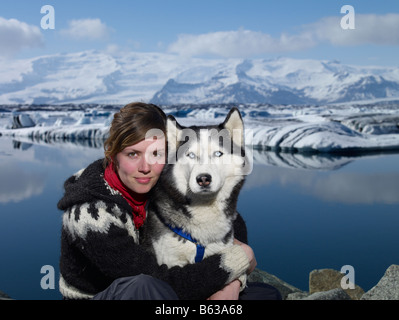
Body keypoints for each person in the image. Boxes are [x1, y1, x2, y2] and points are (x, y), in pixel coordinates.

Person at [57, 102, 281, 300]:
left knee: (267, 295)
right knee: (144, 285)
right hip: (110, 294)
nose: (145, 167)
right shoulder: (90, 214)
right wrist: (236, 262)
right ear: (112, 155)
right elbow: (159, 281)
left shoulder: (151, 185)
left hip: (163, 288)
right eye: (133, 154)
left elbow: (231, 220)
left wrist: (233, 283)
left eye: (156, 153)